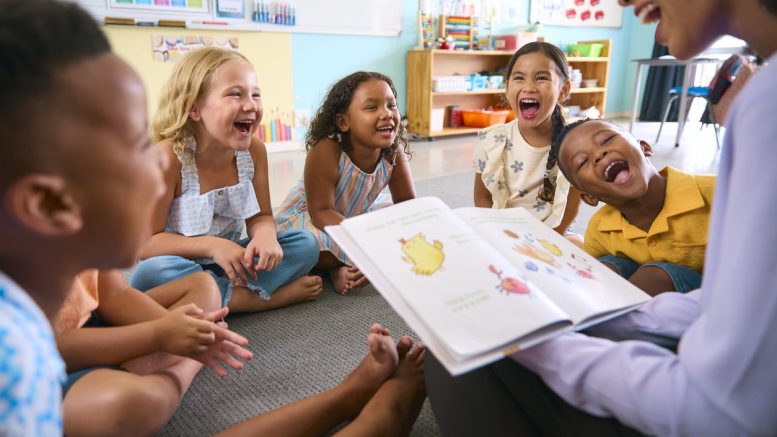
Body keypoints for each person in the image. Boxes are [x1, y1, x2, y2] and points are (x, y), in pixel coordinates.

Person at [0, 2, 428, 435]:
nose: (152, 162)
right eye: (131, 147)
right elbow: (58, 341)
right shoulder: (13, 340)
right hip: (178, 265)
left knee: (281, 250)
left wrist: (174, 325)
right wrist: (164, 337)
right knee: (129, 400)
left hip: (221, 268)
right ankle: (364, 410)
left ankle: (345, 396)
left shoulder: (83, 254)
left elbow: (113, 294)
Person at [426, 0, 777, 435]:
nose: (624, 3)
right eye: (517, 77)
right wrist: (605, 316)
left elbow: (719, 408)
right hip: (686, 348)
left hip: (703, 402)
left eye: (609, 140)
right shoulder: (761, 102)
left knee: (454, 358)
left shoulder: (760, 116)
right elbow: (724, 304)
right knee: (600, 274)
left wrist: (537, 344)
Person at [129, 47, 323, 313]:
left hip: (232, 261)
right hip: (181, 264)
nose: (251, 105)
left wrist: (265, 236)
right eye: (235, 94)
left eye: (256, 94)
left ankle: (214, 297)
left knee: (306, 244)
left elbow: (261, 216)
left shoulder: (254, 151)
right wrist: (212, 246)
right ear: (194, 108)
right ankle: (253, 300)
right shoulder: (168, 158)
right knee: (148, 275)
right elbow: (146, 245)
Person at [58, 269, 252, 436]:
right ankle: (187, 365)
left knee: (205, 286)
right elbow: (53, 348)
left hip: (94, 322)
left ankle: (131, 368)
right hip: (52, 367)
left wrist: (178, 329)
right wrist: (158, 336)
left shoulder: (89, 235)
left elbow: (115, 294)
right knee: (122, 409)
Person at [275, 72, 416, 294]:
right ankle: (340, 266)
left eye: (392, 105)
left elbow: (407, 205)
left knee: (405, 223)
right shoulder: (326, 149)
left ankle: (352, 262)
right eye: (372, 108)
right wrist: (364, 245)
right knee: (308, 247)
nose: (387, 114)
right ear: (344, 122)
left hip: (357, 215)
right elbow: (321, 211)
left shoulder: (393, 151)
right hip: (318, 220)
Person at [553, 118, 714, 295]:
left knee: (654, 275)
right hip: (647, 302)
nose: (598, 155)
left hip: (721, 298)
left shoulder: (718, 192)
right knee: (602, 269)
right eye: (582, 162)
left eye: (606, 140)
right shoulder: (599, 232)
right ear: (590, 196)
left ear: (644, 147)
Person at [473, 42, 581, 239]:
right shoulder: (492, 141)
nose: (529, 87)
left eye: (541, 78)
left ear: (563, 90)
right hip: (504, 231)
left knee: (579, 247)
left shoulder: (574, 144)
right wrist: (496, 232)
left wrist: (549, 238)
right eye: (519, 78)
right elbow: (482, 197)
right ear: (507, 87)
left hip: (556, 231)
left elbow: (571, 206)